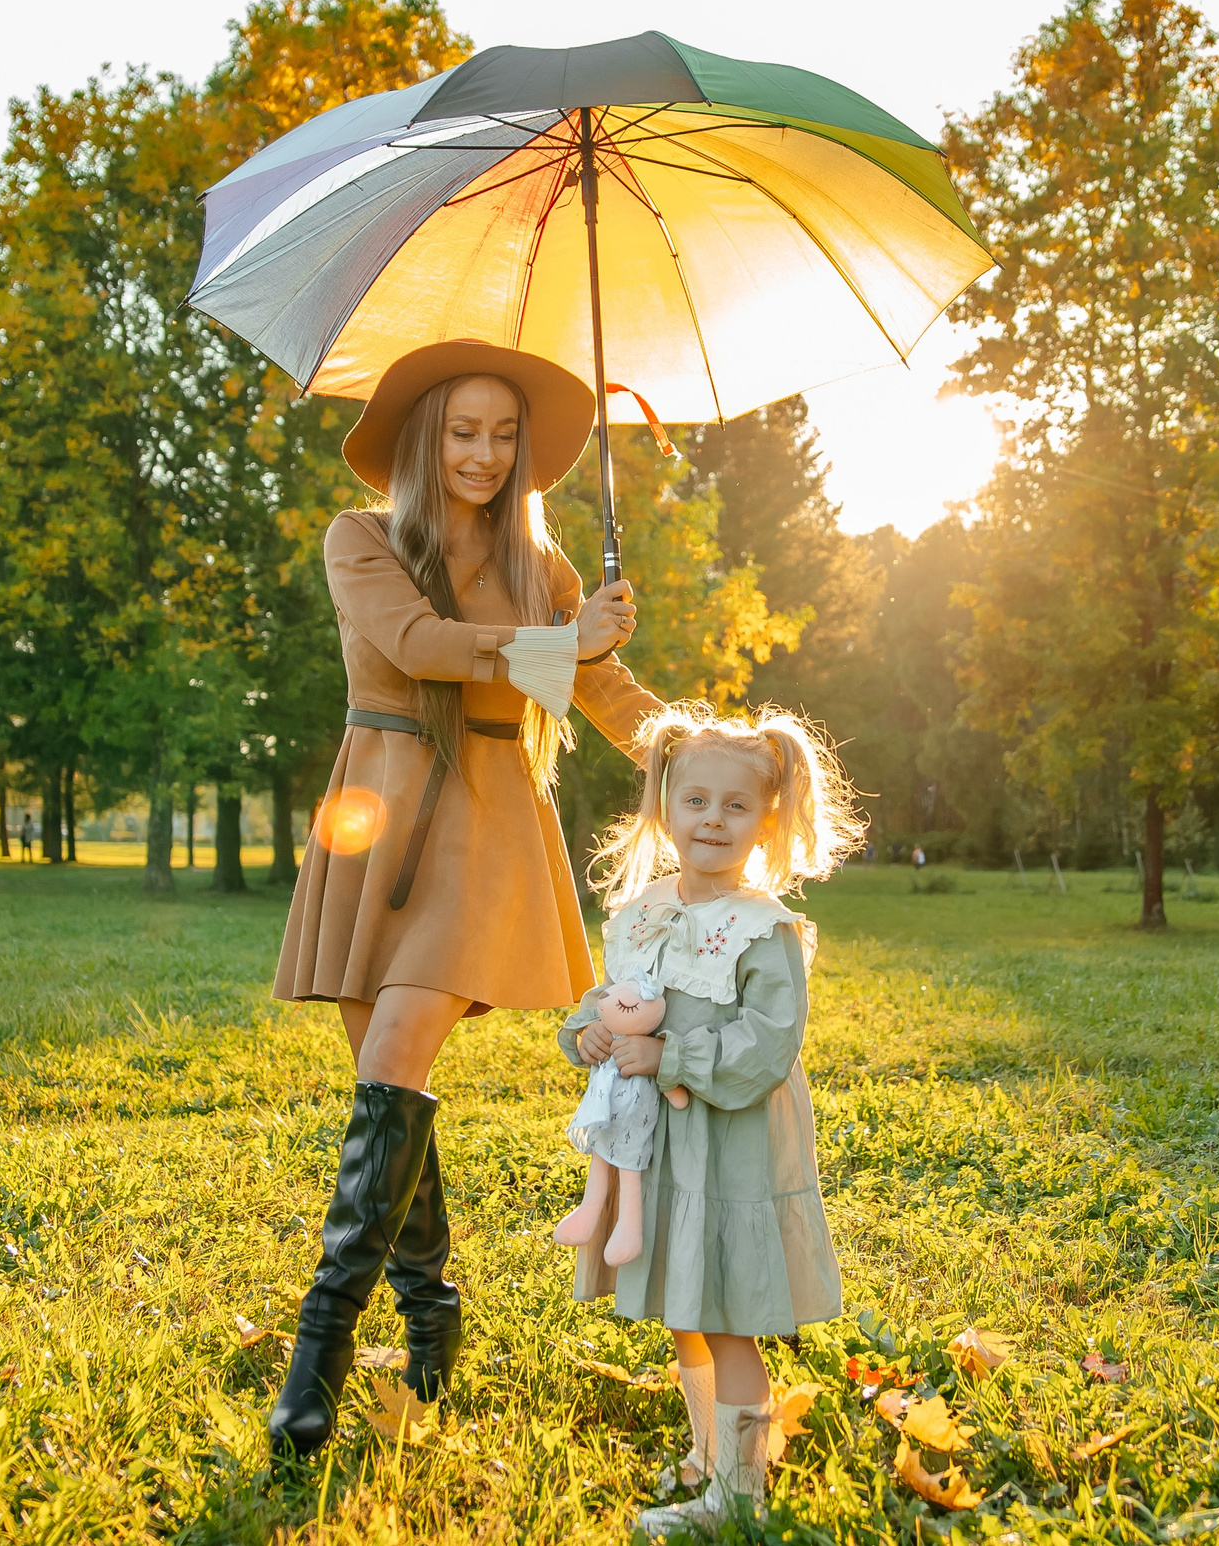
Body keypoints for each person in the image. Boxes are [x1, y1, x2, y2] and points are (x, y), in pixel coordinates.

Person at [268, 340, 664, 1457]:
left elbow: (602, 690)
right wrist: (553, 640)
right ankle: (432, 1310)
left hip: (483, 824)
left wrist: (699, 749)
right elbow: (415, 643)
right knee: (387, 1079)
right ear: (421, 438)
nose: (485, 453)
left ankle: (320, 1353)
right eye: (462, 431)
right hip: (379, 809)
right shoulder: (362, 538)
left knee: (394, 1053)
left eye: (503, 433)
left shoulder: (547, 571)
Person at [561, 705, 864, 1533]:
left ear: (767, 818)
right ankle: (714, 1454)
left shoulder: (764, 930)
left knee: (725, 1313)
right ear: (665, 804)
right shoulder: (647, 910)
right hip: (664, 1147)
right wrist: (588, 1031)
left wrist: (675, 1059)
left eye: (736, 806)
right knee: (684, 1304)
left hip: (729, 1149)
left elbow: (768, 1046)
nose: (713, 821)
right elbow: (618, 1001)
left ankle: (740, 1498)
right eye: (695, 801)